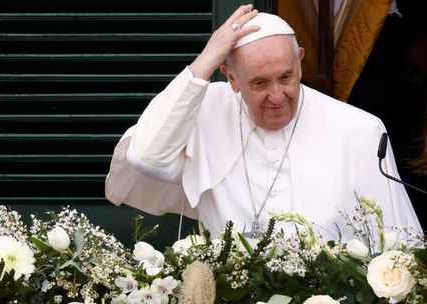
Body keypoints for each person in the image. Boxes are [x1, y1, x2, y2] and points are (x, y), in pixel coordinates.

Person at [105, 4, 422, 241]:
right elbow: (145, 157)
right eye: (259, 83)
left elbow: (398, 242)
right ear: (231, 78)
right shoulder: (208, 110)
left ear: (299, 61)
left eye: (286, 77)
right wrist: (205, 60)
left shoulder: (360, 130)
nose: (277, 96)